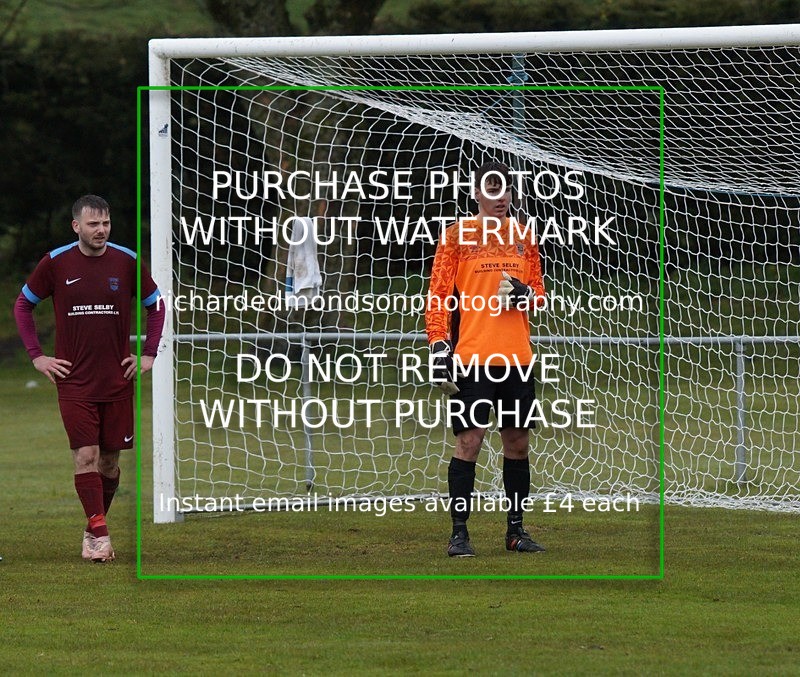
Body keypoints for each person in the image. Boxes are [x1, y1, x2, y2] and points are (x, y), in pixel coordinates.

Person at [13, 195, 164, 562]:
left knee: (109, 464)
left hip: (117, 380)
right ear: (76, 226)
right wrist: (37, 356)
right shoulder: (55, 262)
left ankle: (92, 526)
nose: (101, 230)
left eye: (106, 223)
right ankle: (101, 537)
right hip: (74, 381)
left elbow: (156, 305)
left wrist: (148, 354)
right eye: (93, 224)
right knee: (86, 455)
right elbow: (23, 305)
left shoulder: (127, 261)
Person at [425, 161, 546, 557]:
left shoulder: (524, 237)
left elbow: (539, 294)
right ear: (476, 194)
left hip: (516, 358)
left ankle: (516, 531)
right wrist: (438, 344)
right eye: (492, 190)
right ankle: (459, 534)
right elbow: (438, 296)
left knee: (518, 444)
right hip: (472, 357)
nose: (500, 197)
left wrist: (527, 295)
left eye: (505, 189)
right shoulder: (456, 237)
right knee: (469, 442)